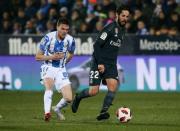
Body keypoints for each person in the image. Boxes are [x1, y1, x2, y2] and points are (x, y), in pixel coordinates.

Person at [71, 5, 130, 121]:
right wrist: (100, 64)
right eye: (123, 16)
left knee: (113, 86)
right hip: (99, 61)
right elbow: (97, 45)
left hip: (111, 64)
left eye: (127, 16)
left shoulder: (123, 30)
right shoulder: (110, 28)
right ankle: (78, 97)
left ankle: (103, 112)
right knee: (94, 91)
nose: (125, 18)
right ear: (117, 15)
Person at [35, 18, 75, 121]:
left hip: (61, 69)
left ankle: (57, 109)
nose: (65, 31)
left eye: (67, 29)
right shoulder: (48, 38)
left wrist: (64, 62)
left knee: (69, 98)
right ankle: (47, 113)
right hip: (48, 66)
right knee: (49, 88)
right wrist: (52, 57)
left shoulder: (70, 40)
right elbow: (38, 57)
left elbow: (71, 53)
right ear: (57, 27)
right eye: (62, 28)